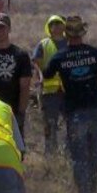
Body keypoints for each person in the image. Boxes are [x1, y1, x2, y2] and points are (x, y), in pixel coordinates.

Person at [43, 14, 97, 193]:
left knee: (78, 157)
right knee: (94, 153)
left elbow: (47, 74)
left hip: (75, 113)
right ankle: (91, 191)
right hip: (96, 110)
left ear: (66, 35)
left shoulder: (60, 56)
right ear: (83, 33)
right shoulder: (95, 53)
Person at [32, 15, 68, 156]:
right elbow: (36, 62)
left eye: (59, 23)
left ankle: (67, 153)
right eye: (53, 24)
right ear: (49, 27)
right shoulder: (43, 44)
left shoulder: (70, 43)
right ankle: (50, 154)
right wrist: (39, 76)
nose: (56, 26)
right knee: (50, 124)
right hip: (49, 91)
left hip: (68, 91)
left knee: (69, 123)